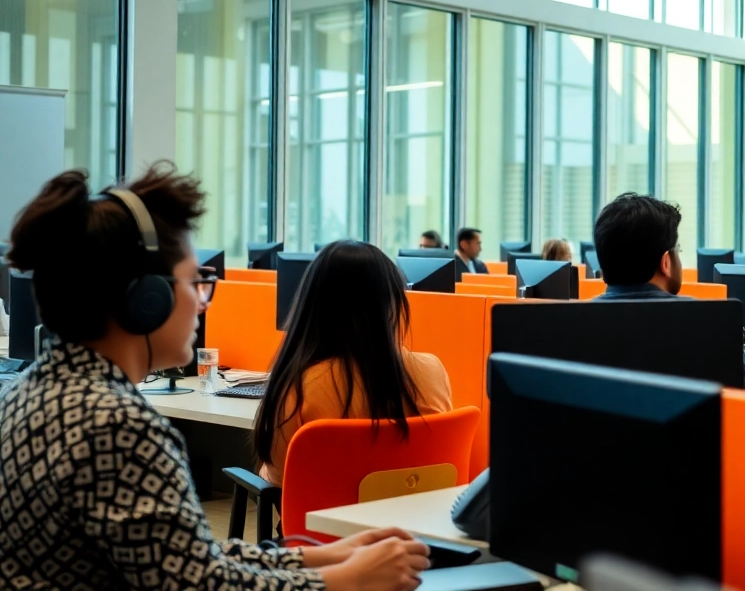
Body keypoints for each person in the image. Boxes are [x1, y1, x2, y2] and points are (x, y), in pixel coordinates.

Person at [0, 166, 430, 591]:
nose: (204, 302)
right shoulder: (116, 427)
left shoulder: (27, 394)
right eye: (197, 281)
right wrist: (340, 581)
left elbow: (181, 556)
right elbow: (200, 585)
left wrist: (318, 555)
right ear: (147, 297)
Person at [255, 240, 453, 486]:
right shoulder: (432, 370)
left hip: (325, 522)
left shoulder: (299, 386)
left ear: (314, 306)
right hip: (414, 517)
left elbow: (281, 476)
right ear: (391, 304)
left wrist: (264, 471)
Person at [593, 193, 745, 391]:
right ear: (666, 263)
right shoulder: (709, 321)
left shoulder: (573, 324)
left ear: (603, 270)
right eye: (678, 250)